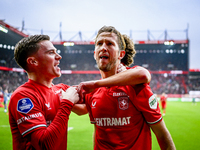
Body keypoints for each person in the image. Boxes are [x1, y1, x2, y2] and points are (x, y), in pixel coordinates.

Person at [77, 26, 176, 150]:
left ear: (121, 54)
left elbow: (162, 134)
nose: (103, 47)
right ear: (94, 53)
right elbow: (97, 132)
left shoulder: (136, 86)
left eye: (110, 43)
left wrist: (95, 84)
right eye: (99, 44)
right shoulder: (92, 91)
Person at [8, 35, 79, 150]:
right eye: (51, 52)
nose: (59, 57)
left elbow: (89, 104)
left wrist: (114, 72)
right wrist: (67, 103)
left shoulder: (61, 89)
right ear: (33, 61)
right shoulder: (23, 97)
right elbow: (44, 145)